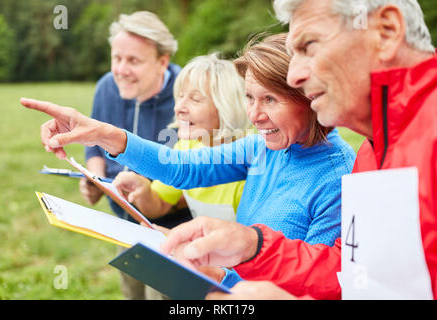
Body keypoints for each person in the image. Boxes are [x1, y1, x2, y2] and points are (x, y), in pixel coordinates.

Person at [20, 32, 356, 291]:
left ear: (309, 95)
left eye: (270, 99)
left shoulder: (338, 177)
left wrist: (217, 278)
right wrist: (101, 134)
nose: (254, 115)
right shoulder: (262, 148)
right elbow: (182, 167)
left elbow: (312, 282)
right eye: (250, 98)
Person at [160, 0, 437, 300]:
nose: (294, 77)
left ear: (387, 31)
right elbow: (358, 276)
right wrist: (252, 246)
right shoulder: (371, 152)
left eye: (309, 46)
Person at [79, 11, 192, 300]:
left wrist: (155, 199)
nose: (121, 69)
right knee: (132, 291)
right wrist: (96, 178)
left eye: (133, 61)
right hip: (125, 221)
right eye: (117, 58)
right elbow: (94, 143)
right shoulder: (107, 86)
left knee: (161, 295)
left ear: (162, 61)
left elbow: (197, 168)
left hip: (174, 227)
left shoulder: (187, 94)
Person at [112, 53, 252, 223]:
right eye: (180, 96)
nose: (179, 108)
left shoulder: (252, 158)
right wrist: (144, 191)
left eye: (195, 99)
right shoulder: (187, 146)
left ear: (227, 106)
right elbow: (160, 205)